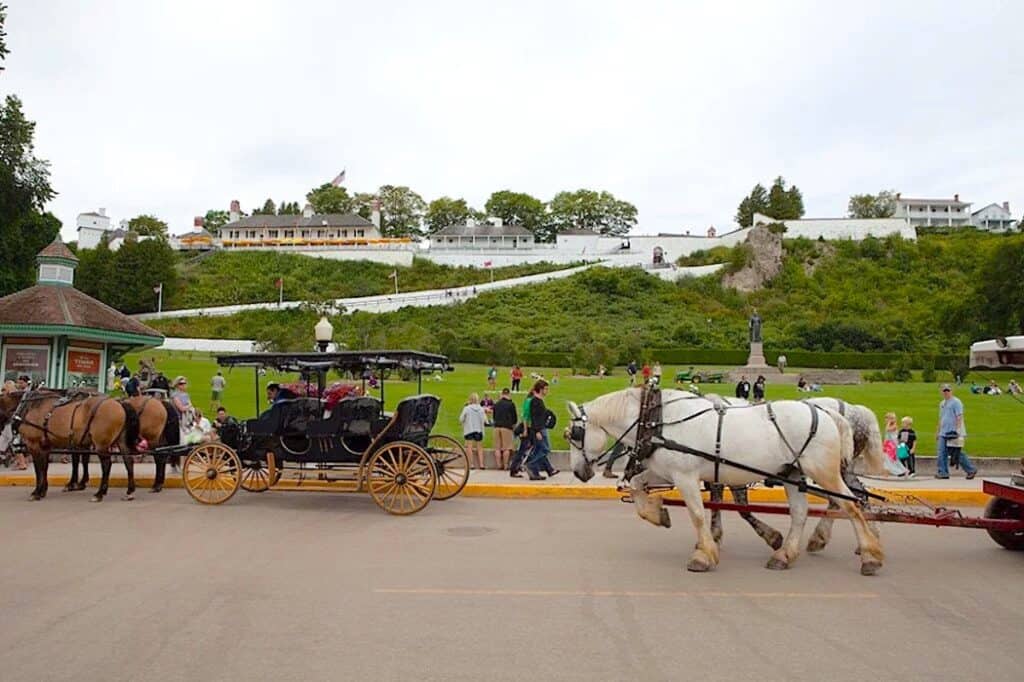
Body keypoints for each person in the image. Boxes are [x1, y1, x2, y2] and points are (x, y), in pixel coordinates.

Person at [936, 384, 977, 480]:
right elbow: (941, 418)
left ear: (951, 391)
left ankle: (971, 469)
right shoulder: (942, 403)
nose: (946, 392)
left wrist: (958, 430)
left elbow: (959, 416)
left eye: (948, 390)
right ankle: (943, 472)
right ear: (941, 392)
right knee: (941, 452)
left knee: (956, 453)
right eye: (944, 390)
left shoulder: (956, 402)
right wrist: (937, 431)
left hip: (953, 432)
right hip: (943, 432)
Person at [525, 379, 558, 480]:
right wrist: (537, 431)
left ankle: (534, 472)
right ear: (540, 389)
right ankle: (531, 464)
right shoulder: (536, 401)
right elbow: (535, 418)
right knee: (545, 449)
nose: (547, 391)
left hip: (541, 428)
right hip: (540, 429)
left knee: (539, 450)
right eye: (546, 389)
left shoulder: (539, 401)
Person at [459, 392, 487, 470]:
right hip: (479, 429)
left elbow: (461, 419)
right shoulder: (481, 409)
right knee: (480, 447)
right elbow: (485, 420)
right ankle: (481, 464)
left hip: (469, 429)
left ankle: (471, 464)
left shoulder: (467, 408)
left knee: (469, 447)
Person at [492, 388, 517, 471]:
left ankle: (499, 465)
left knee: (497, 448)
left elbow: (494, 416)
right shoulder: (511, 404)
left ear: (502, 394)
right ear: (509, 394)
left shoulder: (496, 404)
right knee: (507, 448)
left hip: (497, 427)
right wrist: (513, 425)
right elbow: (514, 418)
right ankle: (506, 465)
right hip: (506, 427)